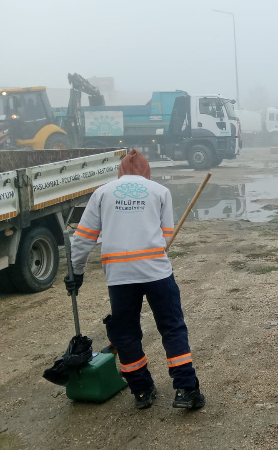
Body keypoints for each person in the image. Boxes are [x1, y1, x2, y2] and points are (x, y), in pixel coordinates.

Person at [64, 149, 205, 410]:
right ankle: (185, 389)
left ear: (120, 172)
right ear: (147, 172)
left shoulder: (102, 193)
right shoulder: (160, 191)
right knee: (172, 327)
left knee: (126, 332)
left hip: (119, 276)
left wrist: (77, 272)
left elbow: (83, 239)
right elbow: (165, 237)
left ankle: (141, 391)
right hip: (156, 272)